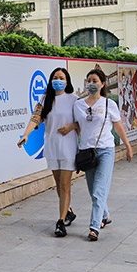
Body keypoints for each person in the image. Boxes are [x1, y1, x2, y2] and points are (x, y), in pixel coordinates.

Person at [18, 67, 81, 237]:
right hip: (52, 146)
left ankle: (60, 222)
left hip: (68, 147)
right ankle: (68, 211)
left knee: (65, 185)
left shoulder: (74, 100)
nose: (58, 80)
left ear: (67, 81)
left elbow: (82, 122)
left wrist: (72, 126)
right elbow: (36, 118)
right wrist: (26, 135)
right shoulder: (45, 99)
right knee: (58, 184)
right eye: (55, 77)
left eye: (61, 77)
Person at [74, 68, 134, 241]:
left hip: (106, 150)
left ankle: (94, 227)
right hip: (87, 152)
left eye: (95, 81)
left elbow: (118, 126)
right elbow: (77, 126)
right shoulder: (79, 105)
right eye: (89, 81)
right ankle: (105, 215)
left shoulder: (109, 104)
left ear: (102, 84)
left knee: (99, 190)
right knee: (93, 190)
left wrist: (128, 146)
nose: (91, 84)